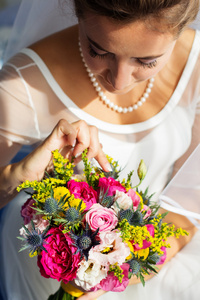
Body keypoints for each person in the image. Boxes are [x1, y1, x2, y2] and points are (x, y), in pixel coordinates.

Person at [0, 0, 200, 299]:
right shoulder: (24, 82)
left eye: (146, 61)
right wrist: (20, 172)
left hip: (158, 247)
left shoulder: (195, 61)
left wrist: (130, 266)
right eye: (98, 50)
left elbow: (191, 196)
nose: (118, 81)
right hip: (56, 263)